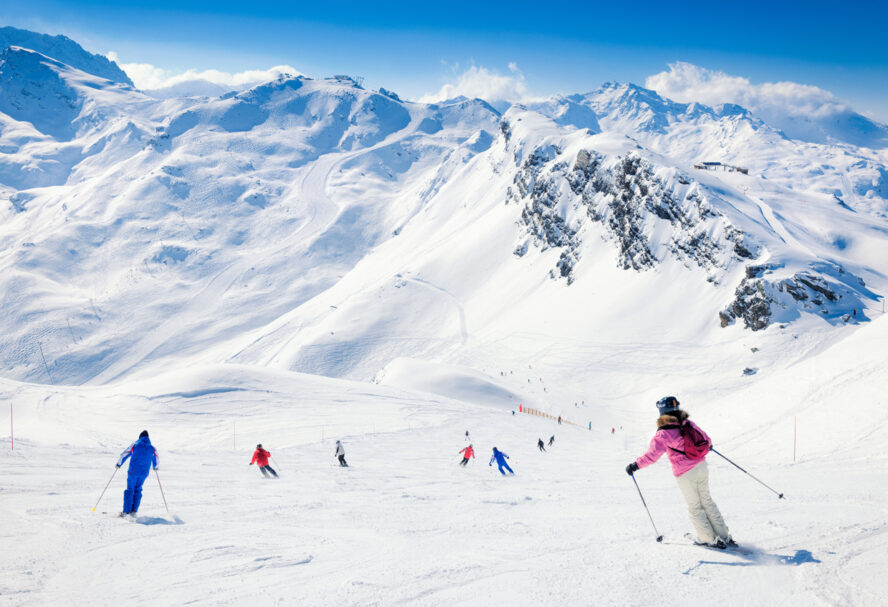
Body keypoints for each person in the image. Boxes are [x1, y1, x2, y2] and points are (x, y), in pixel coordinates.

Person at [625, 396, 734, 548]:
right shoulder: (688, 423)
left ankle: (707, 538)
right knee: (707, 501)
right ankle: (724, 536)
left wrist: (635, 466)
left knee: (694, 506)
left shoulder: (663, 434)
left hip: (685, 473)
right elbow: (707, 441)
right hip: (702, 467)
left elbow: (652, 456)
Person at [116, 430, 158, 516]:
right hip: (144, 474)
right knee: (138, 489)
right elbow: (156, 459)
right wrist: (155, 467)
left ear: (140, 437)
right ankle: (134, 511)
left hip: (133, 472)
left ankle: (126, 511)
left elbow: (124, 454)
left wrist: (119, 464)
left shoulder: (135, 445)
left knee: (130, 489)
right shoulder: (152, 448)